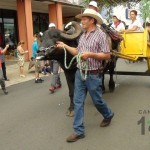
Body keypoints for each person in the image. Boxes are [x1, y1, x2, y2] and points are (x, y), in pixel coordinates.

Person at [56, 8, 114, 142]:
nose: (81, 21)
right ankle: (79, 131)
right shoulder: (82, 36)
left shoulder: (101, 35)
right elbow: (77, 52)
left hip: (93, 74)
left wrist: (91, 55)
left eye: (84, 19)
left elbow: (107, 55)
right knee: (77, 101)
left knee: (97, 101)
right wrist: (64, 46)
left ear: (92, 20)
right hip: (80, 73)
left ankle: (108, 114)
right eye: (81, 19)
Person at [48, 23, 62, 93]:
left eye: (52, 28)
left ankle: (52, 86)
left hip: (56, 57)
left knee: (55, 72)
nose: (51, 29)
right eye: (50, 28)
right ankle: (58, 83)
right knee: (53, 71)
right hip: (50, 57)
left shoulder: (59, 37)